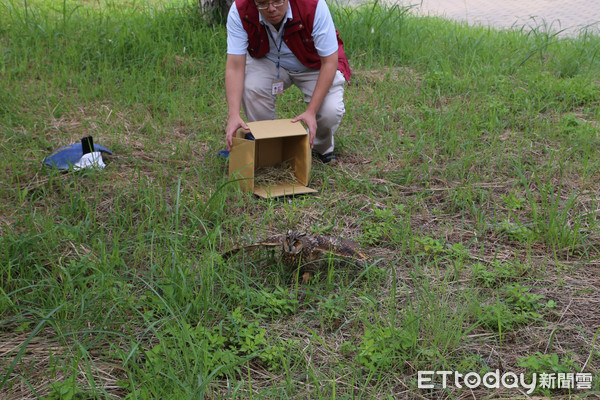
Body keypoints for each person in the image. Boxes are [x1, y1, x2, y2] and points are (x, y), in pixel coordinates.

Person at [224, 0, 351, 163]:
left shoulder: (313, 5)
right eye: (262, 3)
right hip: (268, 60)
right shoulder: (241, 9)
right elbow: (235, 66)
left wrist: (311, 111)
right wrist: (233, 115)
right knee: (252, 87)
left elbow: (330, 62)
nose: (271, 9)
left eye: (277, 1)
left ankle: (318, 147)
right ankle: (267, 144)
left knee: (329, 111)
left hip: (314, 64)